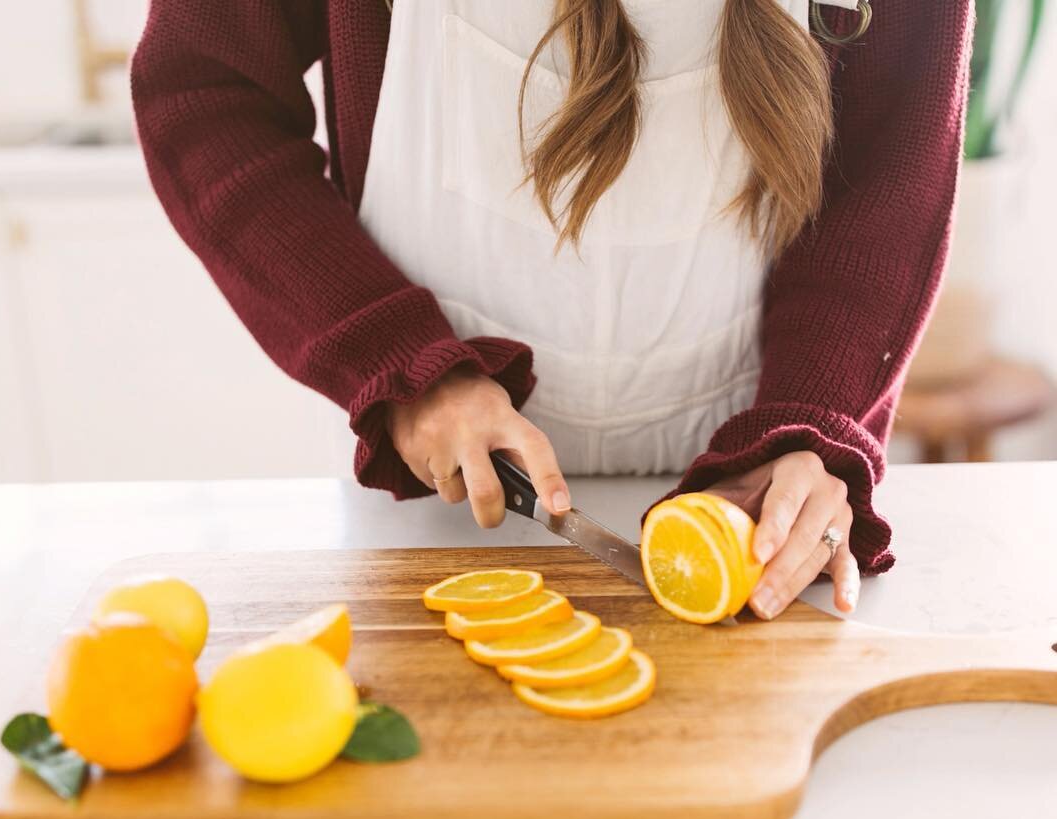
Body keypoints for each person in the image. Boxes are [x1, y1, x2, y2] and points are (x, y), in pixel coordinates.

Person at [132, 0, 971, 620]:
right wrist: (399, 365)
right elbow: (205, 91)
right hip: (430, 503)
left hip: (750, 516)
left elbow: (890, 176)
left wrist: (811, 425)